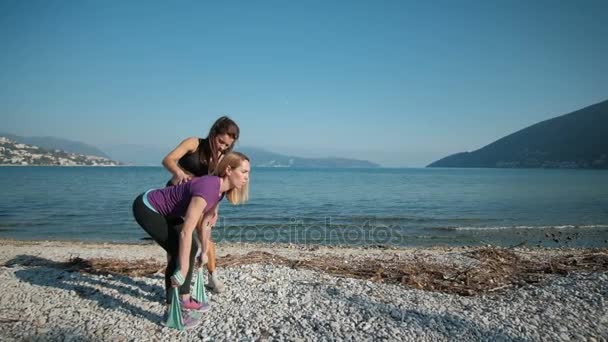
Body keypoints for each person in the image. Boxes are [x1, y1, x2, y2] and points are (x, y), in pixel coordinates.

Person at [133, 152, 250, 328]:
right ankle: (171, 311)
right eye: (243, 172)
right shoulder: (208, 189)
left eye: (248, 173)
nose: (246, 178)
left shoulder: (219, 191)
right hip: (147, 207)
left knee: (192, 248)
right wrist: (184, 267)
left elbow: (206, 225)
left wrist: (204, 251)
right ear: (228, 170)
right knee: (177, 251)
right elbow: (186, 232)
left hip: (166, 212)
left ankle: (184, 298)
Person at [162, 116, 240, 293]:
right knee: (174, 242)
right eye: (221, 141)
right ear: (213, 133)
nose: (222, 147)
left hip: (200, 201)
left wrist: (215, 211)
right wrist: (179, 173)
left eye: (227, 145)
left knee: (206, 238)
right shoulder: (193, 143)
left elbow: (217, 188)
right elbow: (168, 160)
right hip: (175, 198)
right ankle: (174, 284)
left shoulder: (222, 158)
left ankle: (213, 277)